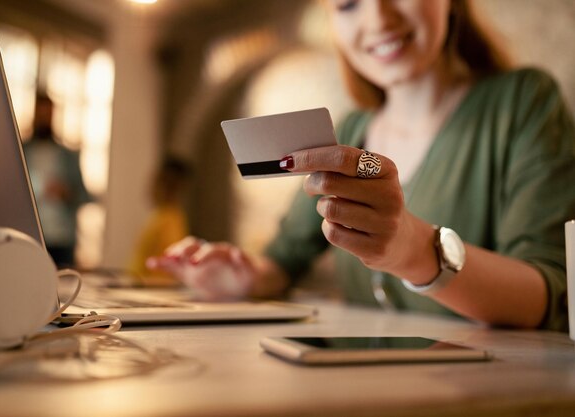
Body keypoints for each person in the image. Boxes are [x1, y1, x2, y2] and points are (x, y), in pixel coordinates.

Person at [151, 0, 575, 330]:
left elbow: (552, 292)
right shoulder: (352, 131)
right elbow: (283, 261)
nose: (379, 19)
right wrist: (242, 278)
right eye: (349, 3)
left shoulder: (524, 103)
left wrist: (415, 249)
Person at [23, 93, 91, 267]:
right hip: (28, 236)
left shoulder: (68, 156)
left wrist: (66, 193)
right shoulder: (21, 151)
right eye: (41, 114)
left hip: (61, 239)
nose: (44, 119)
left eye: (48, 114)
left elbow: (85, 196)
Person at [128, 155, 190, 286]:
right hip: (140, 285)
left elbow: (169, 265)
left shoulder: (170, 219)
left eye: (156, 181)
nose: (150, 186)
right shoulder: (161, 215)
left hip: (150, 288)